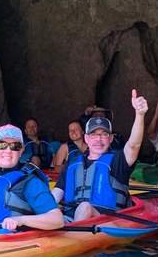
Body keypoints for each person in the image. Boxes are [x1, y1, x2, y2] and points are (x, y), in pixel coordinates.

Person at [55, 89, 148, 221]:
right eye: (94, 135)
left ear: (110, 139)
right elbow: (56, 194)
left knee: (85, 207)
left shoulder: (117, 161)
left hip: (106, 220)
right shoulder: (72, 163)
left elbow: (134, 145)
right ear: (86, 138)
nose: (99, 140)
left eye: (104, 135)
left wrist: (140, 115)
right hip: (71, 219)